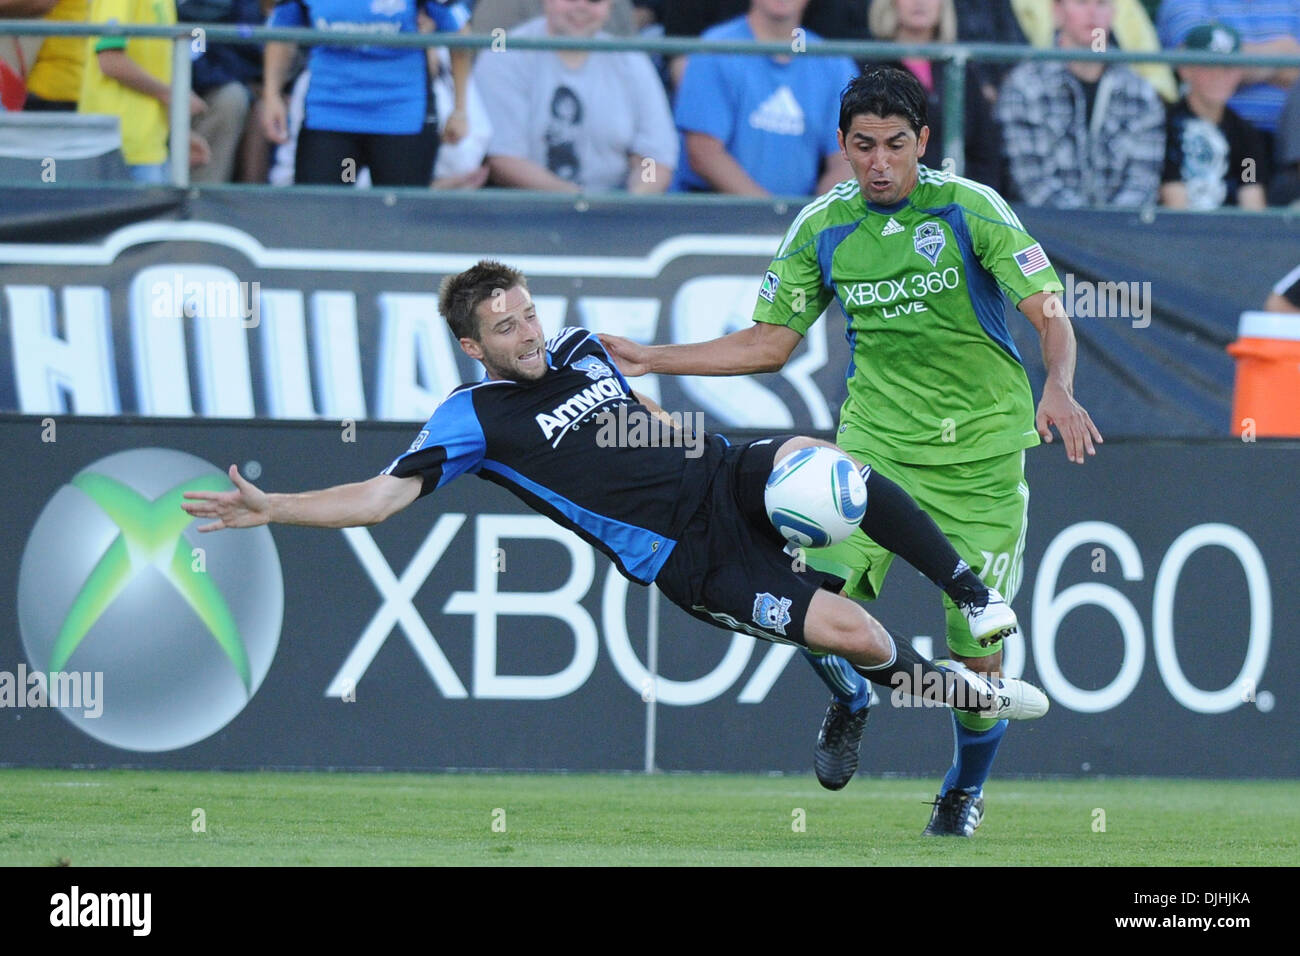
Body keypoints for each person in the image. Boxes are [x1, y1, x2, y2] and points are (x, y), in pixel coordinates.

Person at [181, 260, 1050, 758]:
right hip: (687, 558)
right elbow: (377, 500)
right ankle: (931, 694)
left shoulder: (584, 347)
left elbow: (652, 419)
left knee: (833, 475)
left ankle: (968, 588)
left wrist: (674, 431)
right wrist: (278, 507)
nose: (528, 333)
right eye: (506, 326)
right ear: (472, 344)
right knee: (855, 636)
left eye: (528, 313)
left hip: (723, 478)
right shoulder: (473, 417)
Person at [602, 66, 1099, 837]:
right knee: (808, 604)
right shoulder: (822, 226)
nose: (878, 162)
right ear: (842, 144)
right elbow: (769, 344)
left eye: (895, 145)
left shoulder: (971, 210)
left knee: (982, 661)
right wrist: (651, 358)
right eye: (862, 145)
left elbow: (1048, 312)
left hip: (983, 461)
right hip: (874, 448)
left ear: (922, 143)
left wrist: (1059, 384)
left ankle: (962, 791)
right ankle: (852, 695)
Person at [261, 0, 473, 188]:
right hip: (330, 115)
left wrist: (460, 109)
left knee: (397, 216)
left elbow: (460, 33)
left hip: (401, 117)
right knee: (322, 214)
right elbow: (282, 27)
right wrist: (271, 94)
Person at [472, 0, 677, 193]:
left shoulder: (631, 60)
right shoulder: (506, 55)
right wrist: (580, 202)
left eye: (594, 0)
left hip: (615, 214)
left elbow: (653, 158)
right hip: (524, 214)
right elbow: (504, 159)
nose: (581, 7)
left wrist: (638, 197)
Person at [670, 0, 857, 196]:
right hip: (716, 217)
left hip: (798, 217)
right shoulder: (714, 48)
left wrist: (813, 218)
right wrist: (777, 215)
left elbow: (845, 160)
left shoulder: (833, 61)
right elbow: (703, 153)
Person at [998, 0, 1165, 208]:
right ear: (1057, 11)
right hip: (1046, 232)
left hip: (1122, 233)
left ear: (1113, 13)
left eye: (1102, 4)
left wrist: (1110, 226)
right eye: (1081, 3)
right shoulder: (1025, 87)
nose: (1093, 13)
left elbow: (1142, 183)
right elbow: (1033, 184)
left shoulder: (1140, 93)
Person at [865, 0, 1006, 192]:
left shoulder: (962, 69)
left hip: (962, 203)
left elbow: (985, 152)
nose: (920, 2)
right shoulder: (869, 69)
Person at [78, 0, 211, 183]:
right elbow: (110, 61)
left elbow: (155, 68)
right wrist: (174, 96)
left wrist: (178, 133)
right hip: (116, 148)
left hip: (150, 148)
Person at [1157, 0, 1300, 151]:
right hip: (1218, 140)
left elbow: (1211, 61)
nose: (1224, 72)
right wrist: (1284, 53)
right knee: (1248, 173)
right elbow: (1197, 62)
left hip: (1288, 143)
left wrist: (1234, 58)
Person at [1161, 22, 1269, 211]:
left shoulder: (1245, 135)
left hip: (1231, 235)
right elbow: (1174, 203)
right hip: (1177, 235)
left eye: (1228, 67)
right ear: (1185, 69)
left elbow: (1251, 192)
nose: (1219, 75)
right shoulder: (1164, 125)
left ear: (1239, 72)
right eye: (1209, 65)